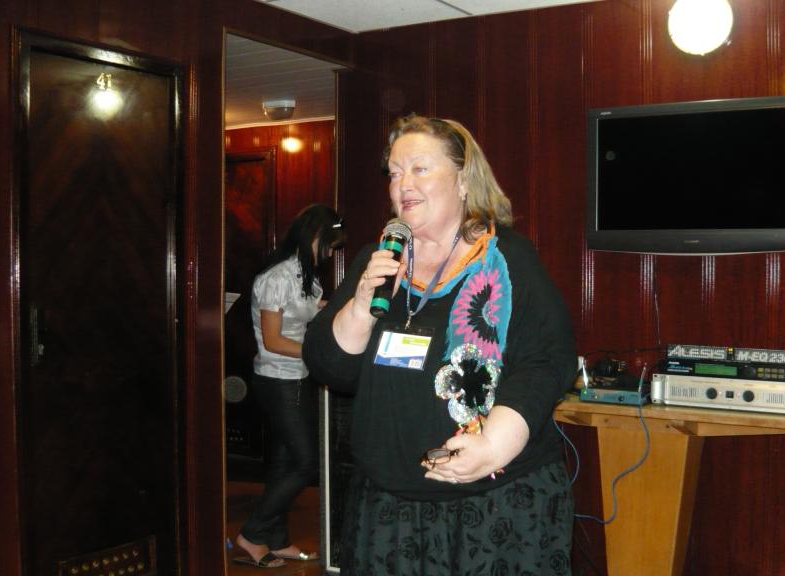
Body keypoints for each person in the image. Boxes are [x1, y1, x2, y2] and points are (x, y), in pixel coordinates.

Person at [303, 114, 577, 575]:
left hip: (492, 505)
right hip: (388, 510)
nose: (403, 184)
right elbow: (329, 368)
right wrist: (360, 306)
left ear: (464, 180)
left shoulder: (507, 259)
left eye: (420, 168)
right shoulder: (379, 260)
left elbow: (547, 360)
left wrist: (492, 446)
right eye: (394, 172)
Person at [234, 203, 345, 569]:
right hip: (276, 379)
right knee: (306, 462)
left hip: (296, 378)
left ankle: (276, 539)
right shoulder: (277, 277)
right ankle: (252, 533)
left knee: (285, 464)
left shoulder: (303, 275)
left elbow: (310, 309)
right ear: (315, 236)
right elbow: (273, 340)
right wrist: (317, 352)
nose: (329, 253)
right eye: (329, 244)